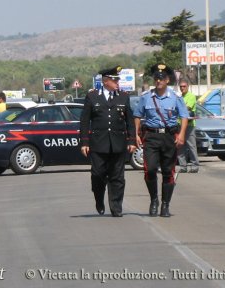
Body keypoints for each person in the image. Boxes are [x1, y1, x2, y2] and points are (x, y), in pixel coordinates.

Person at [80, 66, 136, 217]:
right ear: (106, 81)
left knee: (117, 176)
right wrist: (84, 143)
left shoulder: (123, 97)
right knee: (98, 175)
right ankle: (99, 199)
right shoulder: (92, 97)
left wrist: (132, 140)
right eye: (115, 79)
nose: (118, 81)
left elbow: (130, 120)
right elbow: (85, 121)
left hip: (118, 144)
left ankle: (116, 207)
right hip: (98, 144)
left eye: (118, 79)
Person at [133, 63, 189, 218]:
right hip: (151, 137)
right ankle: (154, 200)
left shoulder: (175, 97)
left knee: (167, 172)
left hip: (169, 137)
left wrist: (182, 134)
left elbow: (184, 116)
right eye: (156, 78)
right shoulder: (146, 97)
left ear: (167, 80)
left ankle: (165, 204)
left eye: (162, 78)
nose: (158, 81)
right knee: (149, 169)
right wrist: (136, 134)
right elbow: (137, 115)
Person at [177, 78, 200, 173]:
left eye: (184, 86)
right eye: (181, 86)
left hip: (189, 126)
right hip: (179, 124)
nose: (182, 88)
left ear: (188, 87)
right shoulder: (179, 97)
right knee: (180, 146)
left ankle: (195, 166)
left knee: (191, 146)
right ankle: (183, 166)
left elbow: (187, 108)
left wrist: (177, 108)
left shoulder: (191, 96)